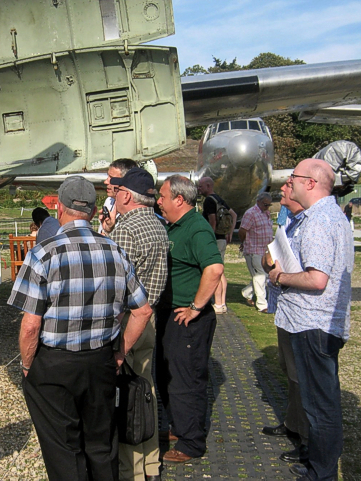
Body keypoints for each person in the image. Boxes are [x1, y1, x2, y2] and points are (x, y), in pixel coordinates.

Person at [9, 176, 153, 481]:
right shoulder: (115, 251)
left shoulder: (42, 253)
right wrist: (119, 353)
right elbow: (142, 310)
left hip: (54, 364)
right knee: (102, 446)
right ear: (92, 210)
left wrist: (26, 364)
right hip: (100, 360)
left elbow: (31, 325)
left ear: (59, 208)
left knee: (64, 452)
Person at [268, 159, 353, 481]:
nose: (288, 183)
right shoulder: (321, 216)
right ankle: (318, 464)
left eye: (294, 178)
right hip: (311, 321)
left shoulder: (319, 221)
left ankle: (322, 473)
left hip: (312, 324)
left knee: (321, 408)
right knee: (318, 404)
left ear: (312, 183)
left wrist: (280, 276)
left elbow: (317, 280)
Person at [155, 175, 224, 463]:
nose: (158, 201)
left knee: (187, 380)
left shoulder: (196, 228)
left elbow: (215, 268)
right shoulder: (175, 226)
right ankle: (177, 426)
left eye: (162, 196)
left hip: (188, 319)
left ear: (179, 200)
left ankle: (192, 443)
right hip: (170, 314)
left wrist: (196, 307)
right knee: (167, 375)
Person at [107, 168, 168, 481]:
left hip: (128, 321)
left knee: (128, 398)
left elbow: (115, 287)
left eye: (116, 189)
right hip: (150, 318)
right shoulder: (158, 225)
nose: (112, 194)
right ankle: (151, 465)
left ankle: (131, 471)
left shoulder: (126, 230)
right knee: (146, 392)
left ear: (126, 195)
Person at [261, 181, 309, 465]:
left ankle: (306, 440)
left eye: (290, 184)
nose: (282, 188)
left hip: (305, 315)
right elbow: (274, 260)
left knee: (302, 377)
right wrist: (270, 263)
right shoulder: (288, 221)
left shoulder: (314, 224)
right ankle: (292, 424)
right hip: (287, 311)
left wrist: (280, 275)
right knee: (287, 370)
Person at [198, 176, 237, 314]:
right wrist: (229, 232)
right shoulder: (219, 199)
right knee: (221, 271)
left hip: (214, 239)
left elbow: (212, 221)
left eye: (200, 186)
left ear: (208, 186)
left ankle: (219, 304)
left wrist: (209, 239)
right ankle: (222, 302)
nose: (198, 189)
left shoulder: (209, 201)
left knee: (215, 271)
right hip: (221, 239)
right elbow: (234, 214)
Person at [238, 193, 274, 312]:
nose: (267, 207)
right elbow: (243, 230)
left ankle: (247, 292)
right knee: (260, 276)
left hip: (265, 250)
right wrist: (244, 243)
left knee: (264, 276)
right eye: (265, 204)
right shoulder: (251, 213)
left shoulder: (266, 213)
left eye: (269, 205)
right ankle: (262, 304)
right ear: (258, 202)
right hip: (254, 249)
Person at [99, 159, 138, 235]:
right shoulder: (109, 201)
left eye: (111, 178)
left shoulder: (134, 210)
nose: (106, 182)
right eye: (108, 177)